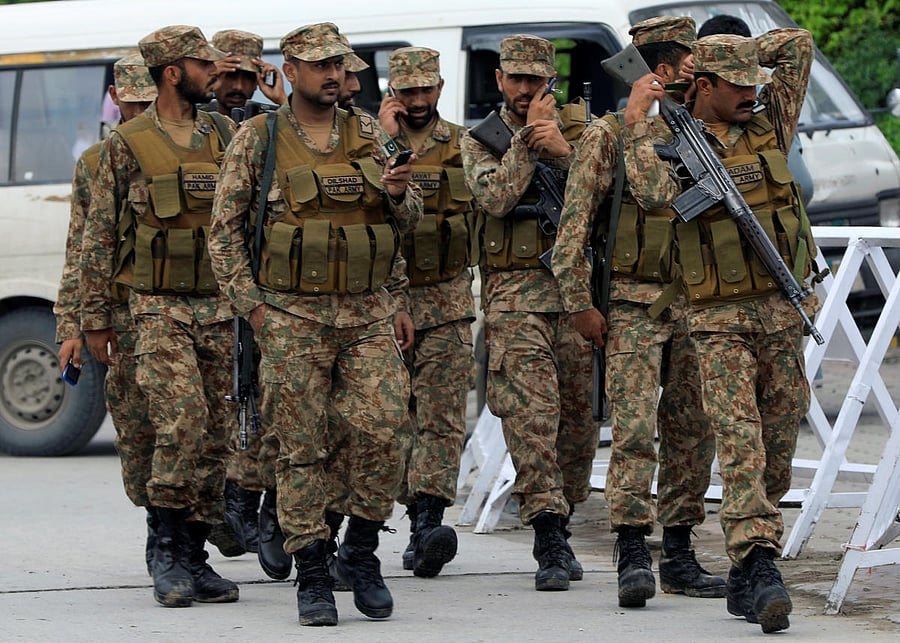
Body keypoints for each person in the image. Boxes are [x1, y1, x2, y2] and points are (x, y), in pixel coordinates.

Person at [208, 22, 422, 627]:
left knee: (386, 430)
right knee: (301, 449)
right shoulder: (259, 138)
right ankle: (313, 572)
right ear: (292, 71)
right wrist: (253, 306)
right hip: (291, 317)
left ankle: (360, 549)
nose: (334, 75)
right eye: (321, 66)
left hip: (366, 313)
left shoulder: (368, 135)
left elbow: (401, 224)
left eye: (340, 65)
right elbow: (223, 233)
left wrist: (402, 196)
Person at [626, 29, 818, 634]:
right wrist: (637, 118)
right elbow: (655, 197)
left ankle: (745, 571)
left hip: (781, 314)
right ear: (702, 87)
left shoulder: (769, 124)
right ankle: (759, 563)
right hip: (716, 320)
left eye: (751, 84)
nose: (749, 94)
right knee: (740, 445)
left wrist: (737, 55)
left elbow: (800, 46)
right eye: (734, 86)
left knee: (780, 447)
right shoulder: (667, 136)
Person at [551, 16, 726, 609]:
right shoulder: (607, 133)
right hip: (630, 304)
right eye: (688, 59)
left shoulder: (699, 127)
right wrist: (578, 303)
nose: (698, 68)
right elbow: (574, 225)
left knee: (693, 430)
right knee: (631, 433)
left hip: (697, 302)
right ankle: (631, 550)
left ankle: (679, 552)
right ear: (664, 66)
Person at [79, 25, 239, 609]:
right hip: (155, 306)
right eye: (204, 64)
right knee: (182, 422)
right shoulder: (129, 143)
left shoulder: (225, 133)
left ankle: (195, 553)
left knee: (218, 433)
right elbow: (97, 236)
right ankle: (166, 548)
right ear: (173, 72)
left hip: (220, 307)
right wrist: (93, 319)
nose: (215, 73)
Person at [460, 34, 595, 592]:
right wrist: (527, 146)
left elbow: (608, 194)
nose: (524, 89)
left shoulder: (581, 130)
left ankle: (560, 518)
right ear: (499, 81)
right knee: (531, 417)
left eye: (535, 80)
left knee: (577, 425)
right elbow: (494, 198)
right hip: (514, 298)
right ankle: (547, 534)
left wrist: (563, 150)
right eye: (515, 79)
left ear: (551, 80)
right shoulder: (482, 141)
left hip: (573, 297)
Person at [54, 52, 157, 573]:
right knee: (137, 433)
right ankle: (160, 532)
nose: (140, 113)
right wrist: (72, 326)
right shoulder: (96, 163)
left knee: (195, 428)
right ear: (116, 100)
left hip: (180, 312)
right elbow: (80, 250)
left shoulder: (189, 152)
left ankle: (187, 532)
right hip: (119, 320)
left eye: (150, 103)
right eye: (132, 103)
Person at [378, 46, 477, 577]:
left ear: (439, 88)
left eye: (426, 90)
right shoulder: (367, 143)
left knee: (440, 422)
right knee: (390, 421)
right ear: (393, 91)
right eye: (406, 91)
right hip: (382, 305)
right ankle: (405, 505)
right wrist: (384, 140)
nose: (417, 101)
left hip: (446, 300)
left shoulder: (465, 144)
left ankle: (426, 525)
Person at [208, 29, 287, 117]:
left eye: (248, 77)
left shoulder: (269, 122)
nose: (239, 87)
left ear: (258, 81)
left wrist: (281, 99)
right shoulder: (194, 116)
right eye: (230, 75)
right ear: (215, 76)